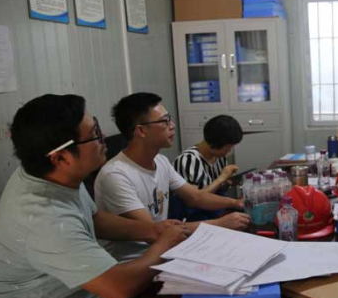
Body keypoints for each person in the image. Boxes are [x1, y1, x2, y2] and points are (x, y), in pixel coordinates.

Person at [0, 94, 189, 298]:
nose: (104, 140)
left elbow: (95, 219)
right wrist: (163, 245)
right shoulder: (44, 217)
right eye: (95, 135)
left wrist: (152, 231)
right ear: (61, 157)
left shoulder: (54, 175)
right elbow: (119, 288)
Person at [95, 93, 249, 262]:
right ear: (141, 131)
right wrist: (219, 224)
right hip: (134, 261)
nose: (172, 125)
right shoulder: (116, 175)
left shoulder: (160, 161)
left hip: (164, 250)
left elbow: (196, 197)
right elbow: (155, 232)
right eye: (165, 121)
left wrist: (236, 203)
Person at [173, 115, 243, 193]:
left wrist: (227, 182)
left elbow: (217, 189)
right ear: (215, 142)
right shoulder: (188, 160)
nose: (229, 150)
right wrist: (222, 178)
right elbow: (194, 198)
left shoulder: (220, 158)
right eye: (227, 147)